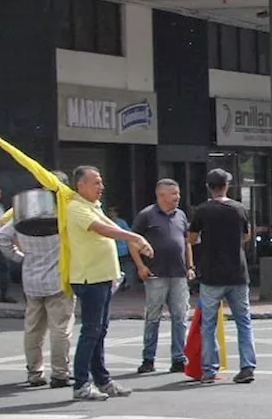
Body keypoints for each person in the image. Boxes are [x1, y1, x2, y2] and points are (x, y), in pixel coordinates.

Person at [67, 166, 153, 401]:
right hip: (89, 277)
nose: (101, 187)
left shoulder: (93, 206)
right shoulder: (75, 208)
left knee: (100, 331)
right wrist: (134, 237)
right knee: (91, 331)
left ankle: (102, 380)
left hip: (104, 277)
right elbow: (103, 229)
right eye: (95, 182)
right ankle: (81, 383)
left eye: (101, 182)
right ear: (80, 185)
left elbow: (111, 226)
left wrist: (136, 238)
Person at [0, 171, 73, 388]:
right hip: (59, 280)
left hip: (31, 280)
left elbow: (2, 237)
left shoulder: (26, 213)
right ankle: (60, 373)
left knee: (33, 329)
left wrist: (20, 258)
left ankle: (34, 373)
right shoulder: (65, 211)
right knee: (60, 329)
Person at [188, 168, 256, 384]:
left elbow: (191, 238)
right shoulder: (239, 208)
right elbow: (246, 235)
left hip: (211, 273)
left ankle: (208, 371)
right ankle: (247, 366)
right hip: (237, 272)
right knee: (243, 321)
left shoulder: (202, 210)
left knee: (208, 324)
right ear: (227, 186)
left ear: (209, 187)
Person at [132, 179, 194, 374]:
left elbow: (187, 242)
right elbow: (133, 242)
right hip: (155, 274)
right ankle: (148, 358)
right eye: (173, 194)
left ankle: (178, 357)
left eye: (178, 193)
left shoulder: (181, 215)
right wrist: (140, 266)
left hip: (178, 274)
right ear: (161, 195)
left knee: (180, 316)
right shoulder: (146, 215)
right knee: (153, 317)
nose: (177, 197)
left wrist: (190, 266)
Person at [107, 205, 135, 293]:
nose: (111, 213)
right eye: (110, 211)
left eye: (113, 211)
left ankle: (127, 283)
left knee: (125, 267)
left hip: (122, 248)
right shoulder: (107, 222)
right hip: (112, 249)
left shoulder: (121, 222)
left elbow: (128, 232)